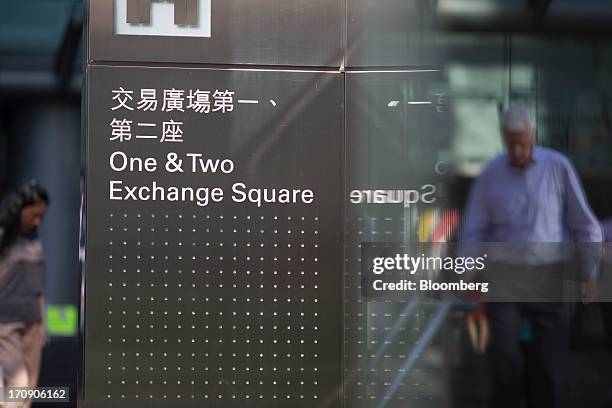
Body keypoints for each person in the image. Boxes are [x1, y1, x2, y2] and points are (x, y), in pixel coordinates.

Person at [461, 106, 602, 408]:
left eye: (522, 142)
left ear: (532, 136)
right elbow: (473, 229)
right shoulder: (491, 174)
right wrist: (467, 274)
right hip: (505, 277)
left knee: (548, 366)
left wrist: (590, 273)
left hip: (550, 276)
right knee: (504, 359)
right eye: (510, 142)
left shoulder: (557, 166)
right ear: (503, 138)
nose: (516, 149)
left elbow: (584, 225)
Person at [0, 181, 49, 408]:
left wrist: (43, 323)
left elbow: (38, 284)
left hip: (32, 321)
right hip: (6, 323)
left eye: (42, 216)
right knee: (17, 385)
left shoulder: (35, 240)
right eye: (34, 214)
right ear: (22, 209)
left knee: (29, 391)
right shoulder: (6, 237)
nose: (37, 221)